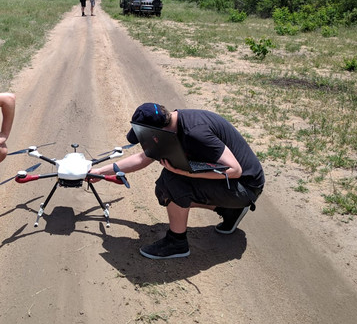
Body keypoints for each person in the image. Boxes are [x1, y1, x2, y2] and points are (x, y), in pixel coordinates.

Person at [93, 103, 264, 259]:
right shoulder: (173, 125)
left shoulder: (195, 132)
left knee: (172, 181)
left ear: (157, 131)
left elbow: (235, 170)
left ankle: (177, 243)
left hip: (245, 186)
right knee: (166, 187)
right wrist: (100, 172)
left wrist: (187, 173)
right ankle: (230, 211)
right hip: (237, 186)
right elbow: (142, 158)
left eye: (146, 135)